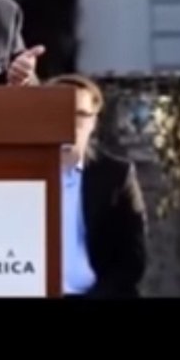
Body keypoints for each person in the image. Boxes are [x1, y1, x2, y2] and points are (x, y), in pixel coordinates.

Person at [47, 73, 148, 297]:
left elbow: (132, 259)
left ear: (93, 122)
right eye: (58, 113)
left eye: (79, 115)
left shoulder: (116, 176)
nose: (68, 123)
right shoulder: (22, 175)